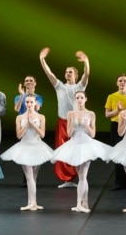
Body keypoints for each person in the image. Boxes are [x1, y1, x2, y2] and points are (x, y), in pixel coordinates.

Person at [50, 91, 110, 213]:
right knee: (82, 177)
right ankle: (85, 203)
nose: (79, 99)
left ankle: (79, 204)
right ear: (75, 100)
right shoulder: (70, 114)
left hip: (87, 145)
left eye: (82, 97)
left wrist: (85, 125)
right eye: (77, 98)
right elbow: (69, 133)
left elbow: (93, 134)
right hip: (74, 144)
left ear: (85, 99)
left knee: (83, 176)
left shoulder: (90, 114)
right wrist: (73, 123)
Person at [39, 47, 90, 188]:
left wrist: (86, 61)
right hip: (62, 122)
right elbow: (48, 73)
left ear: (76, 75)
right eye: (66, 72)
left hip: (77, 123)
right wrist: (42, 59)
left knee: (77, 149)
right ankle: (66, 179)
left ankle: (80, 177)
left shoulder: (80, 87)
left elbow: (87, 74)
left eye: (70, 72)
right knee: (62, 149)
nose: (67, 74)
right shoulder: (59, 86)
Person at [0, 94, 53, 211]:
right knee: (29, 176)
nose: (29, 104)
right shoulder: (19, 118)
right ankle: (32, 203)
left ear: (35, 103)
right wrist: (26, 125)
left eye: (31, 102)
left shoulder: (41, 117)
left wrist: (32, 124)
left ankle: (32, 202)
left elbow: (42, 134)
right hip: (24, 146)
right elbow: (18, 135)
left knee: (34, 176)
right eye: (27, 102)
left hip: (37, 146)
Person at [104, 74, 126, 190]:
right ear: (117, 83)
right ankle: (119, 183)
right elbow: (107, 114)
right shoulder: (111, 96)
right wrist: (118, 111)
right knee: (118, 153)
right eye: (120, 81)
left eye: (124, 81)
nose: (122, 83)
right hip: (116, 126)